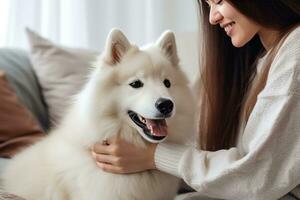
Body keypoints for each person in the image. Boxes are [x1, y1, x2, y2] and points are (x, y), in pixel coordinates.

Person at [91, 0, 300, 199]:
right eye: (207, 5)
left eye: (218, 1)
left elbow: (258, 177)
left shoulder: (295, 53)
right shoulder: (250, 63)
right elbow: (227, 174)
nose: (212, 18)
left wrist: (153, 156)